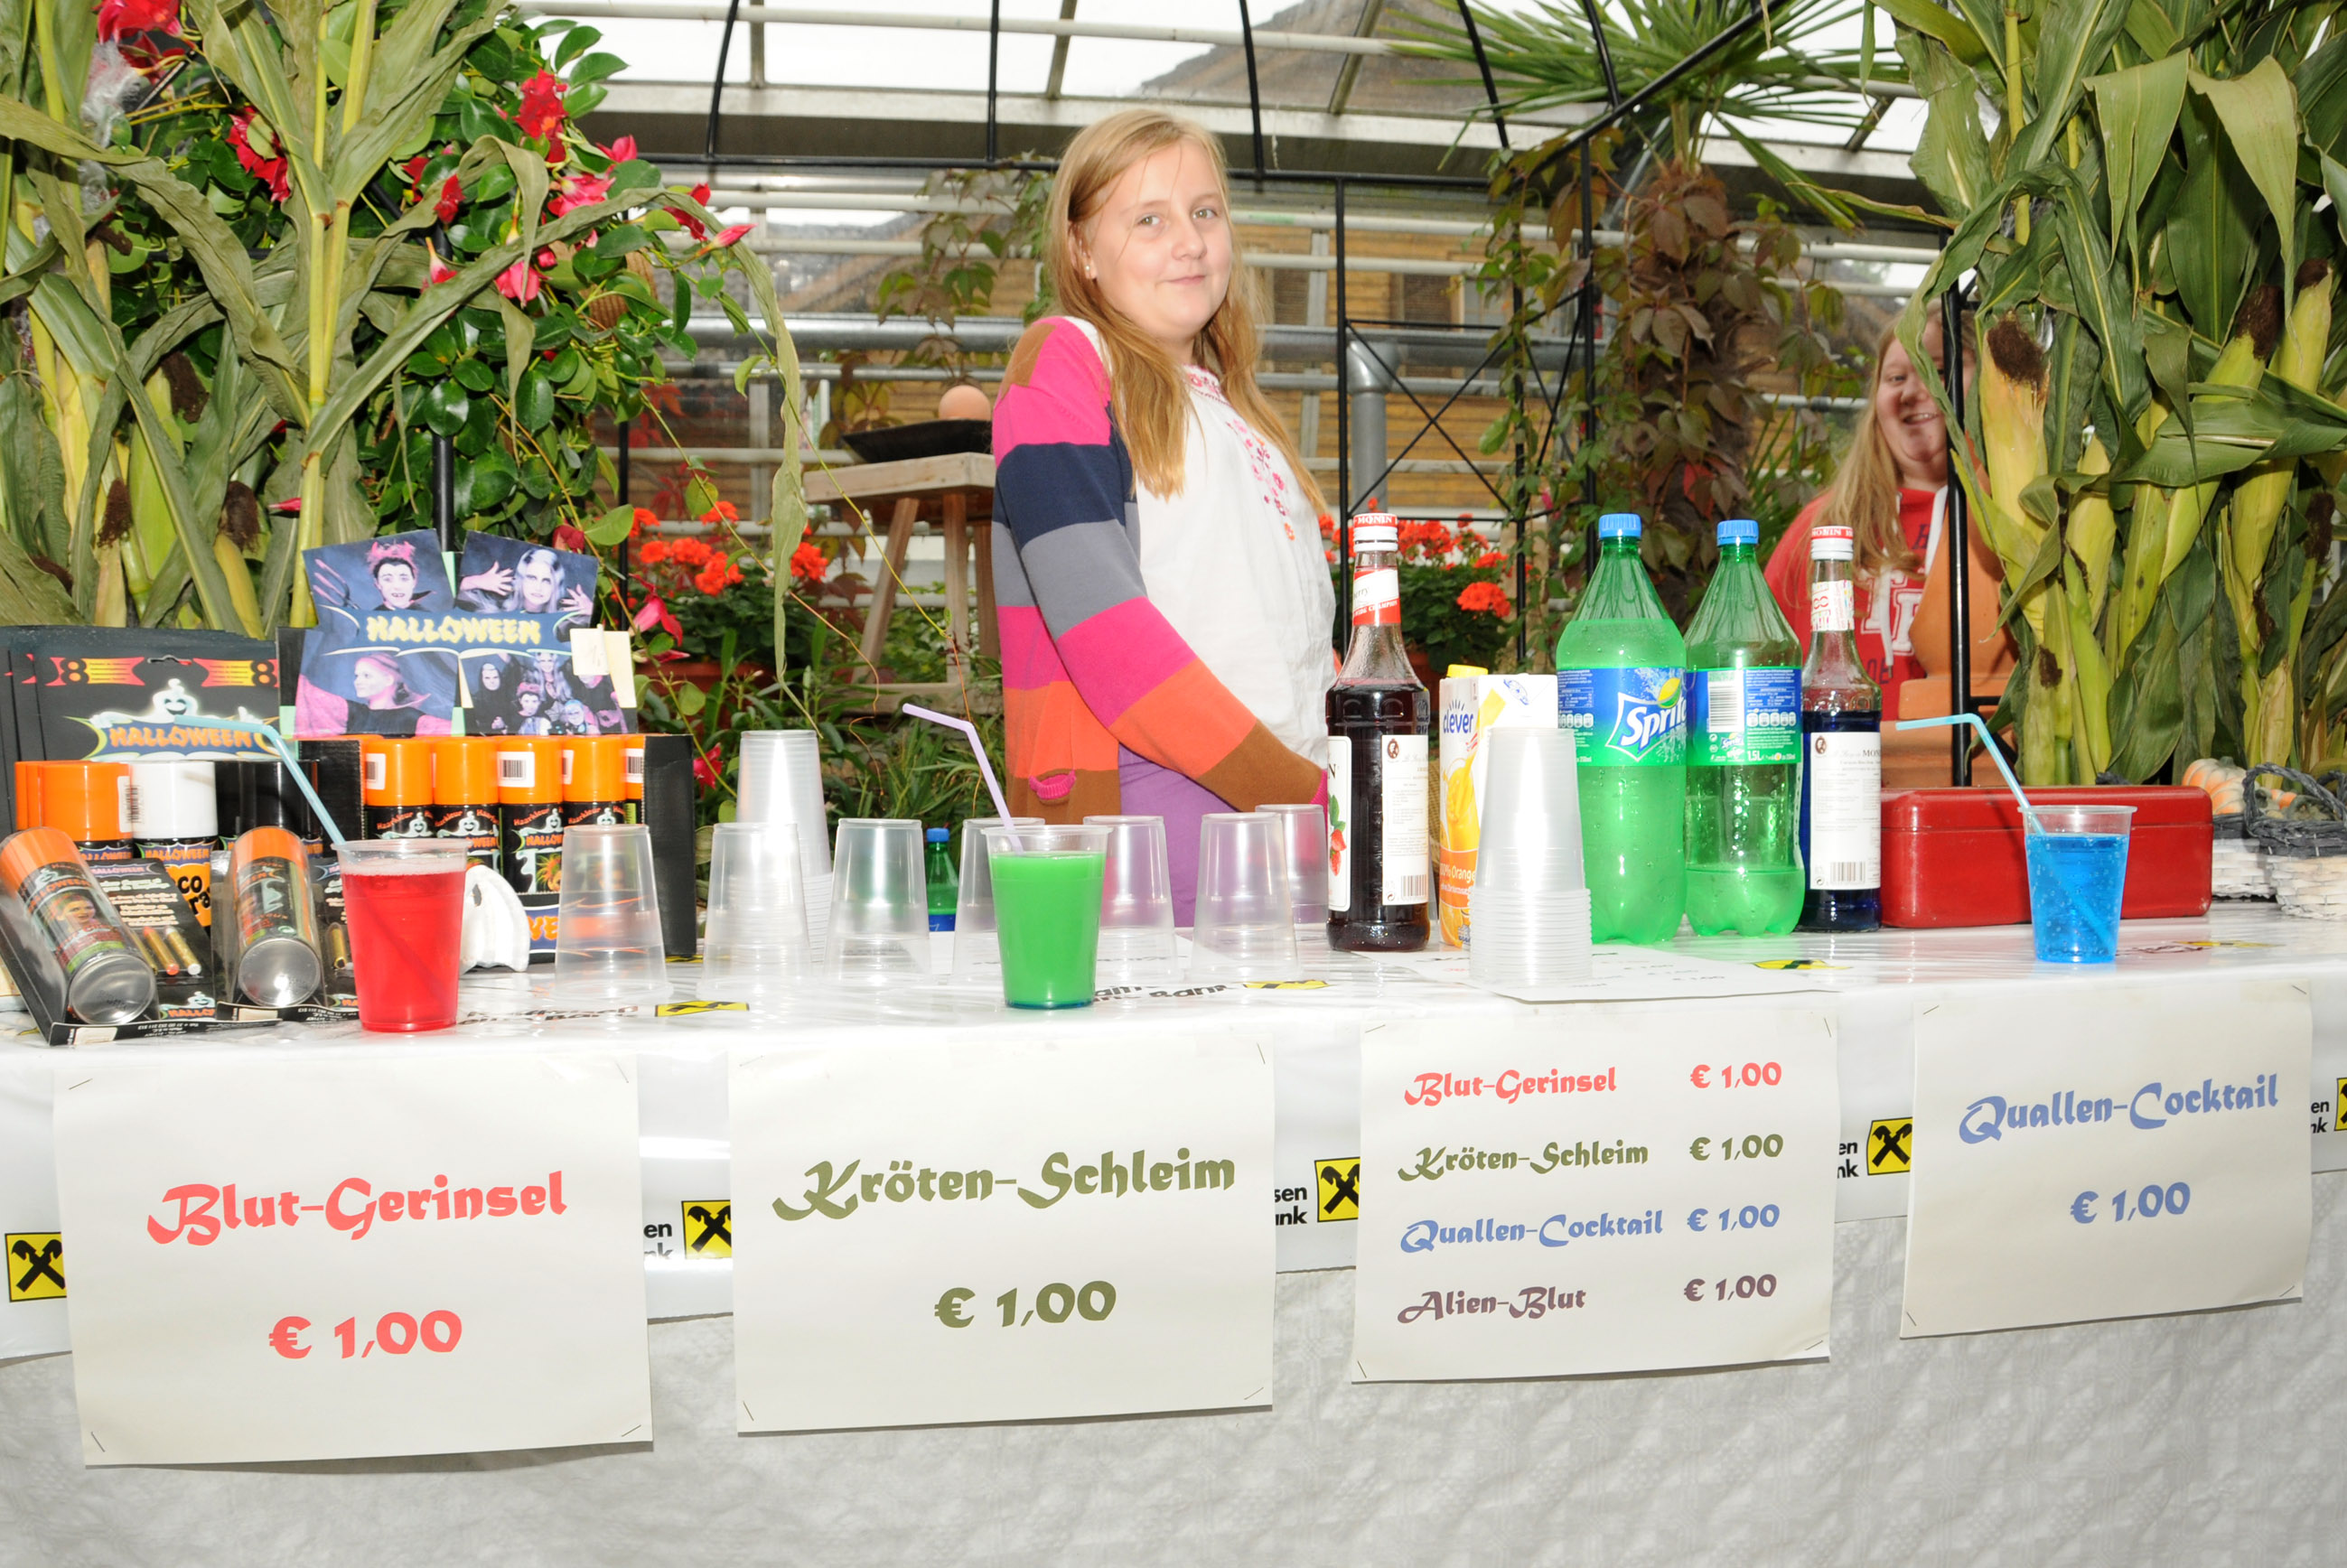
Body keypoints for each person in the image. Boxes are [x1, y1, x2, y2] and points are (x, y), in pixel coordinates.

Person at [991, 108, 1332, 922]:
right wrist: (1306, 798)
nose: (1190, 242)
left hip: (1286, 807)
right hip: (1158, 809)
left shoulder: (1237, 408)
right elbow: (1105, 635)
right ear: (1082, 250)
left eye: (1205, 211)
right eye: (1149, 219)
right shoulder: (1066, 360)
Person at [1763, 315, 2015, 789]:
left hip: (1987, 789)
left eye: (1937, 370)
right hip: (1838, 790)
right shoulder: (1822, 532)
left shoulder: (2018, 525)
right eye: (1896, 378)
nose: (1913, 392)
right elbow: (1762, 669)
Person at [462, 545, 594, 623]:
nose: (538, 587)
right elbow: (451, 593)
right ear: (521, 579)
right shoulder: (497, 606)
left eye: (546, 581)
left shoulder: (562, 624)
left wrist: (591, 612)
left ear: (555, 586)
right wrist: (475, 581)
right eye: (532, 578)